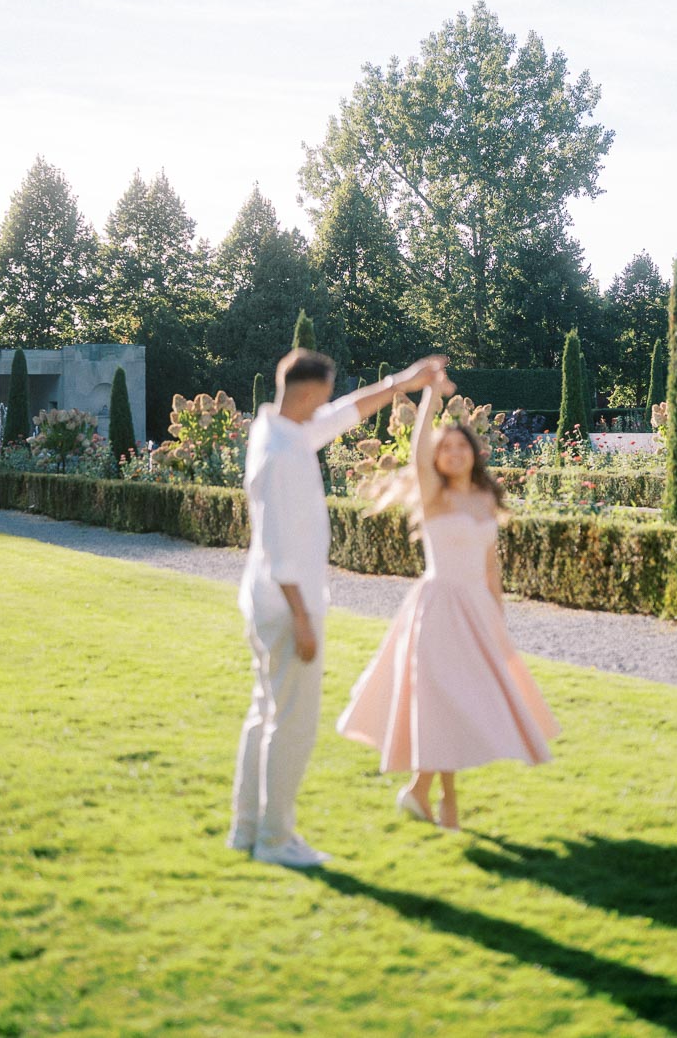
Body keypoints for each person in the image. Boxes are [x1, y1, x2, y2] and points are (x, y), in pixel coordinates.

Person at [229, 348, 447, 868]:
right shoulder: (283, 452)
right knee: (293, 725)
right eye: (321, 396)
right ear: (306, 393)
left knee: (264, 714)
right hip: (287, 604)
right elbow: (281, 548)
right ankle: (276, 840)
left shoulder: (278, 429)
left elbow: (349, 410)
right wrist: (303, 621)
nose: (326, 405)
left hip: (264, 597)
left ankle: (247, 829)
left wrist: (404, 381)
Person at [337, 372, 559, 831]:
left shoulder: (485, 497)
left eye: (461, 446)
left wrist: (498, 618)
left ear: (473, 452)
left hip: (476, 610)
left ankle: (418, 791)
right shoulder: (433, 494)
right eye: (445, 448)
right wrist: (430, 396)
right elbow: (418, 449)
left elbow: (491, 565)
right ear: (437, 457)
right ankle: (447, 803)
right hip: (437, 608)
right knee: (442, 702)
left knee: (455, 704)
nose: (453, 453)